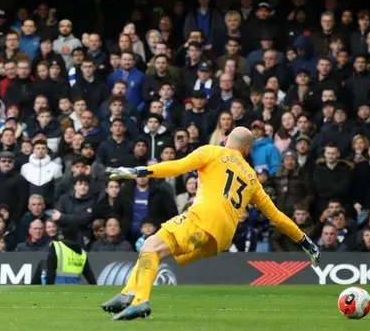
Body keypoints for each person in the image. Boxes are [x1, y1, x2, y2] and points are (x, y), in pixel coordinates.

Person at [102, 126, 321, 320]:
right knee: (155, 248)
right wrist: (304, 240)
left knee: (150, 246)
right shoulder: (252, 178)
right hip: (220, 239)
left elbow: (178, 166)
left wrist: (138, 171)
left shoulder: (212, 152)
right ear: (246, 151)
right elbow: (276, 216)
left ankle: (139, 300)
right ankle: (127, 293)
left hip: (203, 218)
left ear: (226, 141)